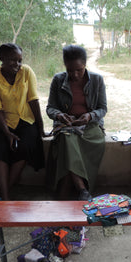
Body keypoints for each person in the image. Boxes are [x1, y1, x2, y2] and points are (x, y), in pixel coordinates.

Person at [46, 45, 107, 200]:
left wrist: (89, 116)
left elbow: (102, 109)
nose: (74, 74)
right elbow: (50, 108)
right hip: (66, 125)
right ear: (65, 66)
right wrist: (60, 115)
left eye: (79, 69)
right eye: (70, 70)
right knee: (67, 138)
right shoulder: (58, 80)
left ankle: (65, 192)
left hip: (90, 126)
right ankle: (82, 189)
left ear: (85, 64)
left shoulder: (97, 80)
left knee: (69, 147)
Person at [0, 43, 46, 201]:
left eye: (20, 60)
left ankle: (3, 191)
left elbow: (33, 100)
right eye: (13, 60)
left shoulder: (26, 72)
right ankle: (5, 198)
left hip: (26, 121)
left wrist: (40, 126)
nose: (18, 65)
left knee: (25, 147)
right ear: (2, 59)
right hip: (3, 122)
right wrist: (7, 133)